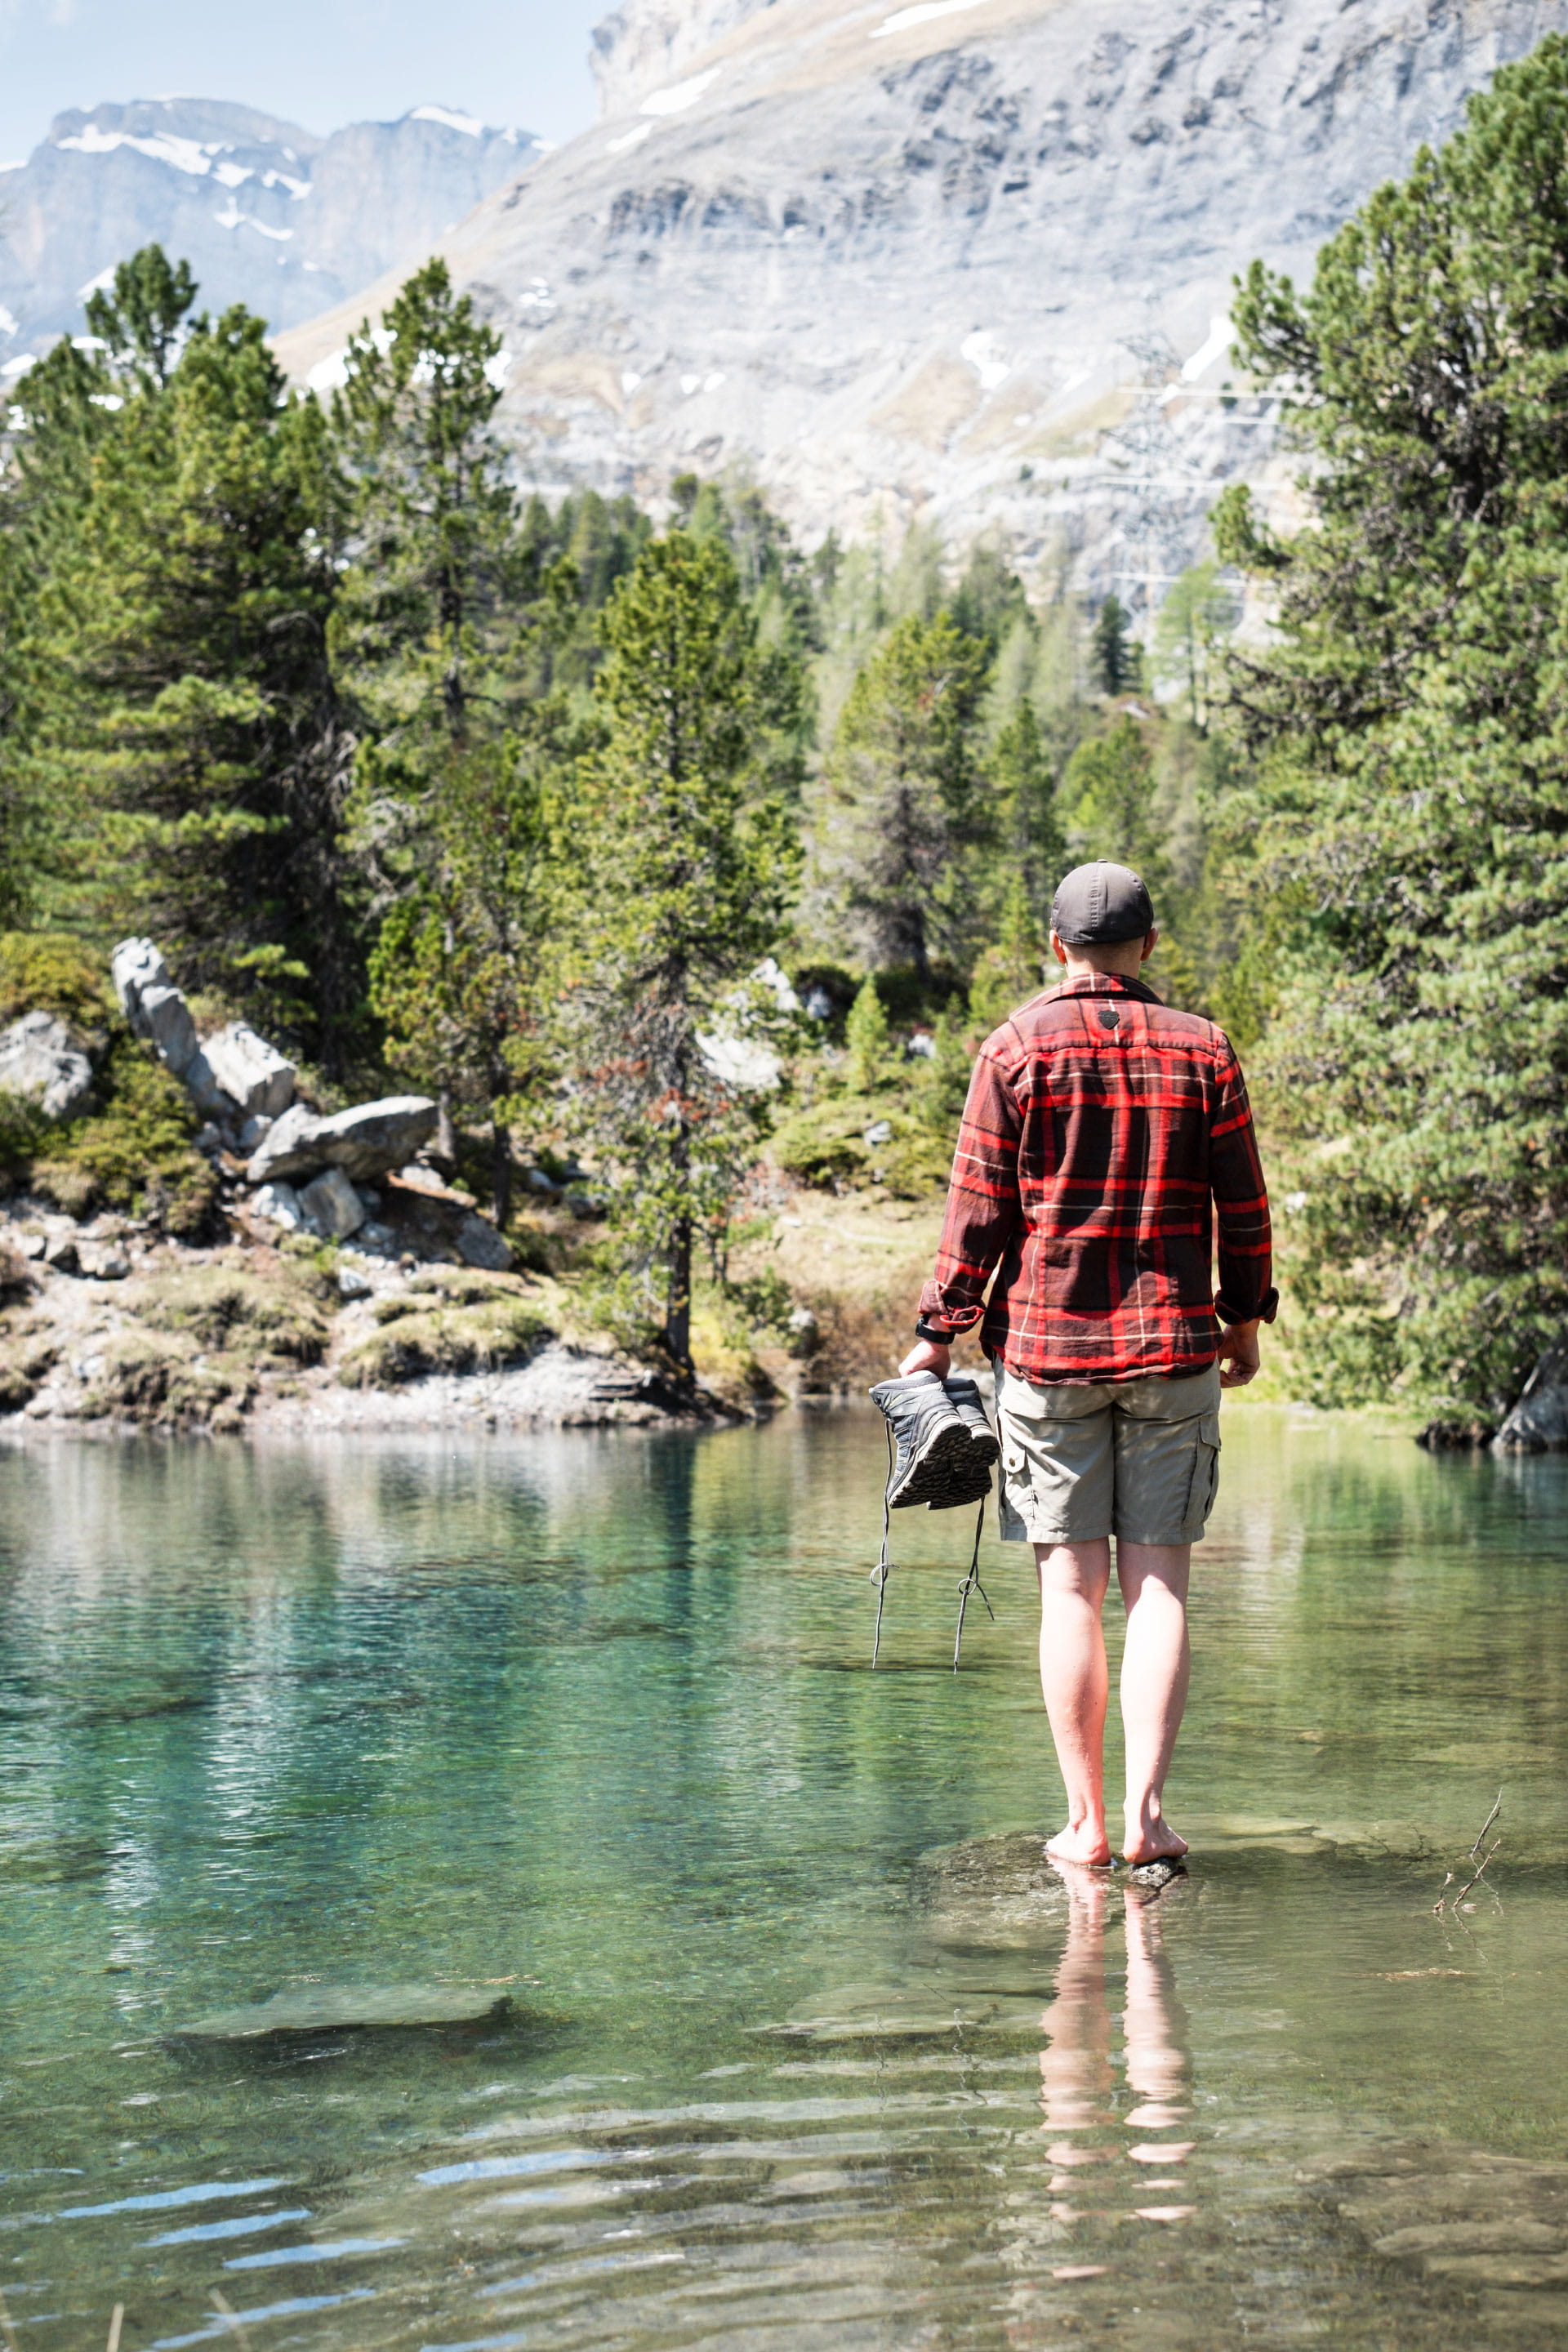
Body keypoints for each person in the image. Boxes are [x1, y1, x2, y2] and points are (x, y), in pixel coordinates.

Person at [899, 860, 1276, 1867]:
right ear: (1149, 946)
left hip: (1047, 1357)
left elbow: (977, 1206)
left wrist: (938, 1333)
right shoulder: (1205, 1050)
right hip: (1173, 1349)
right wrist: (1243, 1321)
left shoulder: (1014, 1046)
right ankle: (1152, 1821)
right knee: (1161, 1589)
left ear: (1055, 946)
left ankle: (1086, 1827)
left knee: (1070, 1590)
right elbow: (1242, 1207)